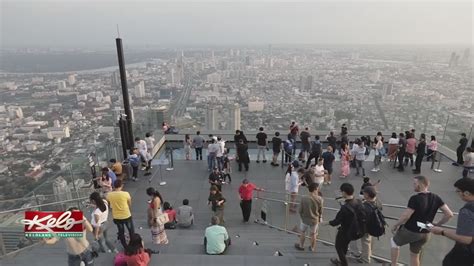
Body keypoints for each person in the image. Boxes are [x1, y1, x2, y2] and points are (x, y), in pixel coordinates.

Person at [390, 175, 454, 266]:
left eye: (414, 183)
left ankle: (393, 264)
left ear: (420, 185)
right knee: (414, 255)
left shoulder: (415, 198)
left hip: (411, 230)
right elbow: (449, 214)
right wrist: (437, 225)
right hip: (426, 232)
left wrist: (395, 225)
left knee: (394, 242)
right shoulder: (436, 197)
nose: (413, 185)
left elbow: (406, 216)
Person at [429, 177, 474, 266]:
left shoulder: (467, 210)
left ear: (466, 193)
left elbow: (465, 238)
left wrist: (442, 231)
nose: (457, 194)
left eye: (458, 191)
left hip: (465, 254)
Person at [326, 183, 365, 266]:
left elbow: (336, 221)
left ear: (344, 192)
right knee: (345, 245)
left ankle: (344, 263)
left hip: (344, 231)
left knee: (338, 247)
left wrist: (326, 223)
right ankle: (341, 260)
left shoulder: (345, 208)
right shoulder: (358, 201)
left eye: (341, 192)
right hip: (355, 229)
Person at [350, 186, 383, 263]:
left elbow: (360, 217)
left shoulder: (365, 206)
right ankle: (368, 254)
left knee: (365, 241)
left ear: (367, 195)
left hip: (366, 227)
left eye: (364, 193)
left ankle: (365, 258)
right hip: (375, 225)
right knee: (369, 240)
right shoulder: (378, 202)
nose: (363, 194)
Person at [294, 183, 323, 252]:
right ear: (315, 189)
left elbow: (300, 210)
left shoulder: (304, 198)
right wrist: (320, 217)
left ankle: (301, 246)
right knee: (313, 234)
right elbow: (320, 211)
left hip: (305, 219)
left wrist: (302, 216)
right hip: (314, 220)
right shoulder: (320, 199)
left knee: (303, 232)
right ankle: (312, 248)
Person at [106, 180, 135, 249]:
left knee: (121, 231)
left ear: (114, 186)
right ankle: (133, 243)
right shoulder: (126, 194)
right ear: (121, 186)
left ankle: (125, 246)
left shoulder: (109, 195)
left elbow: (108, 203)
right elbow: (129, 203)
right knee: (131, 230)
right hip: (126, 215)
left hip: (116, 216)